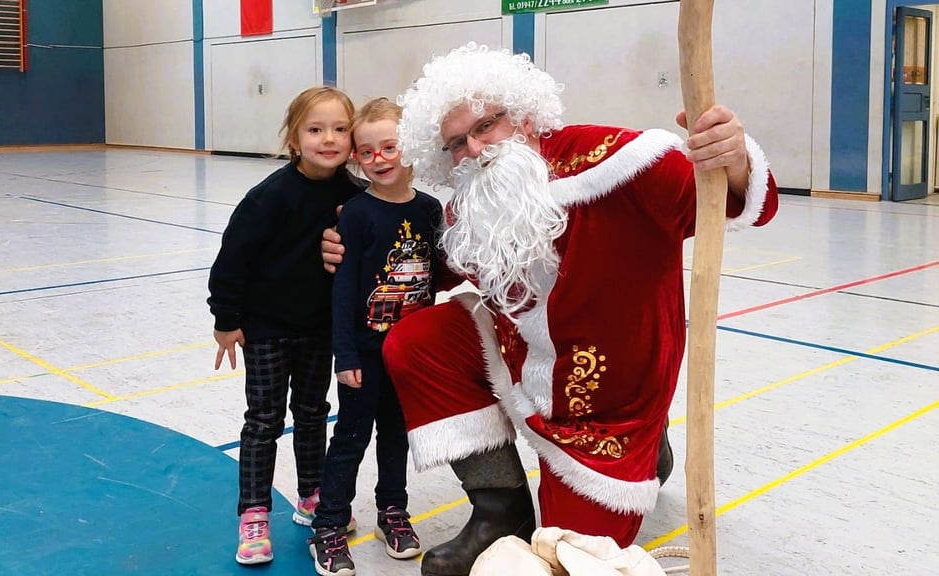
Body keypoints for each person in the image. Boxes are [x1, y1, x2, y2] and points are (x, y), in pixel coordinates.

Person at [322, 42, 779, 576]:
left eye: (485, 125)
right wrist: (351, 245)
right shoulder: (473, 199)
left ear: (524, 116)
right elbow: (440, 263)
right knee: (415, 341)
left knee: (571, 553)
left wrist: (736, 159)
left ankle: (649, 449)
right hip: (523, 362)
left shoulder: (619, 163)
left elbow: (748, 202)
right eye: (454, 144)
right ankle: (500, 511)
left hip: (612, 404)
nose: (473, 150)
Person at [207, 86, 364, 566]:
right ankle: (254, 512)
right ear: (295, 138)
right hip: (267, 328)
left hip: (320, 330)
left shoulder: (356, 197)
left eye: (340, 129)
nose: (329, 139)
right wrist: (226, 319)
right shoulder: (269, 197)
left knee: (314, 412)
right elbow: (233, 259)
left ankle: (311, 495)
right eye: (316, 129)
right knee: (264, 420)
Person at [308, 97, 443, 576]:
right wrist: (345, 353)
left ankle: (393, 512)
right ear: (356, 159)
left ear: (412, 150)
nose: (379, 159)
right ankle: (328, 524)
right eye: (367, 152)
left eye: (390, 147)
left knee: (396, 437)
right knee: (351, 437)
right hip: (363, 354)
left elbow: (436, 274)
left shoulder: (430, 210)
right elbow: (343, 291)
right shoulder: (358, 214)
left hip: (407, 354)